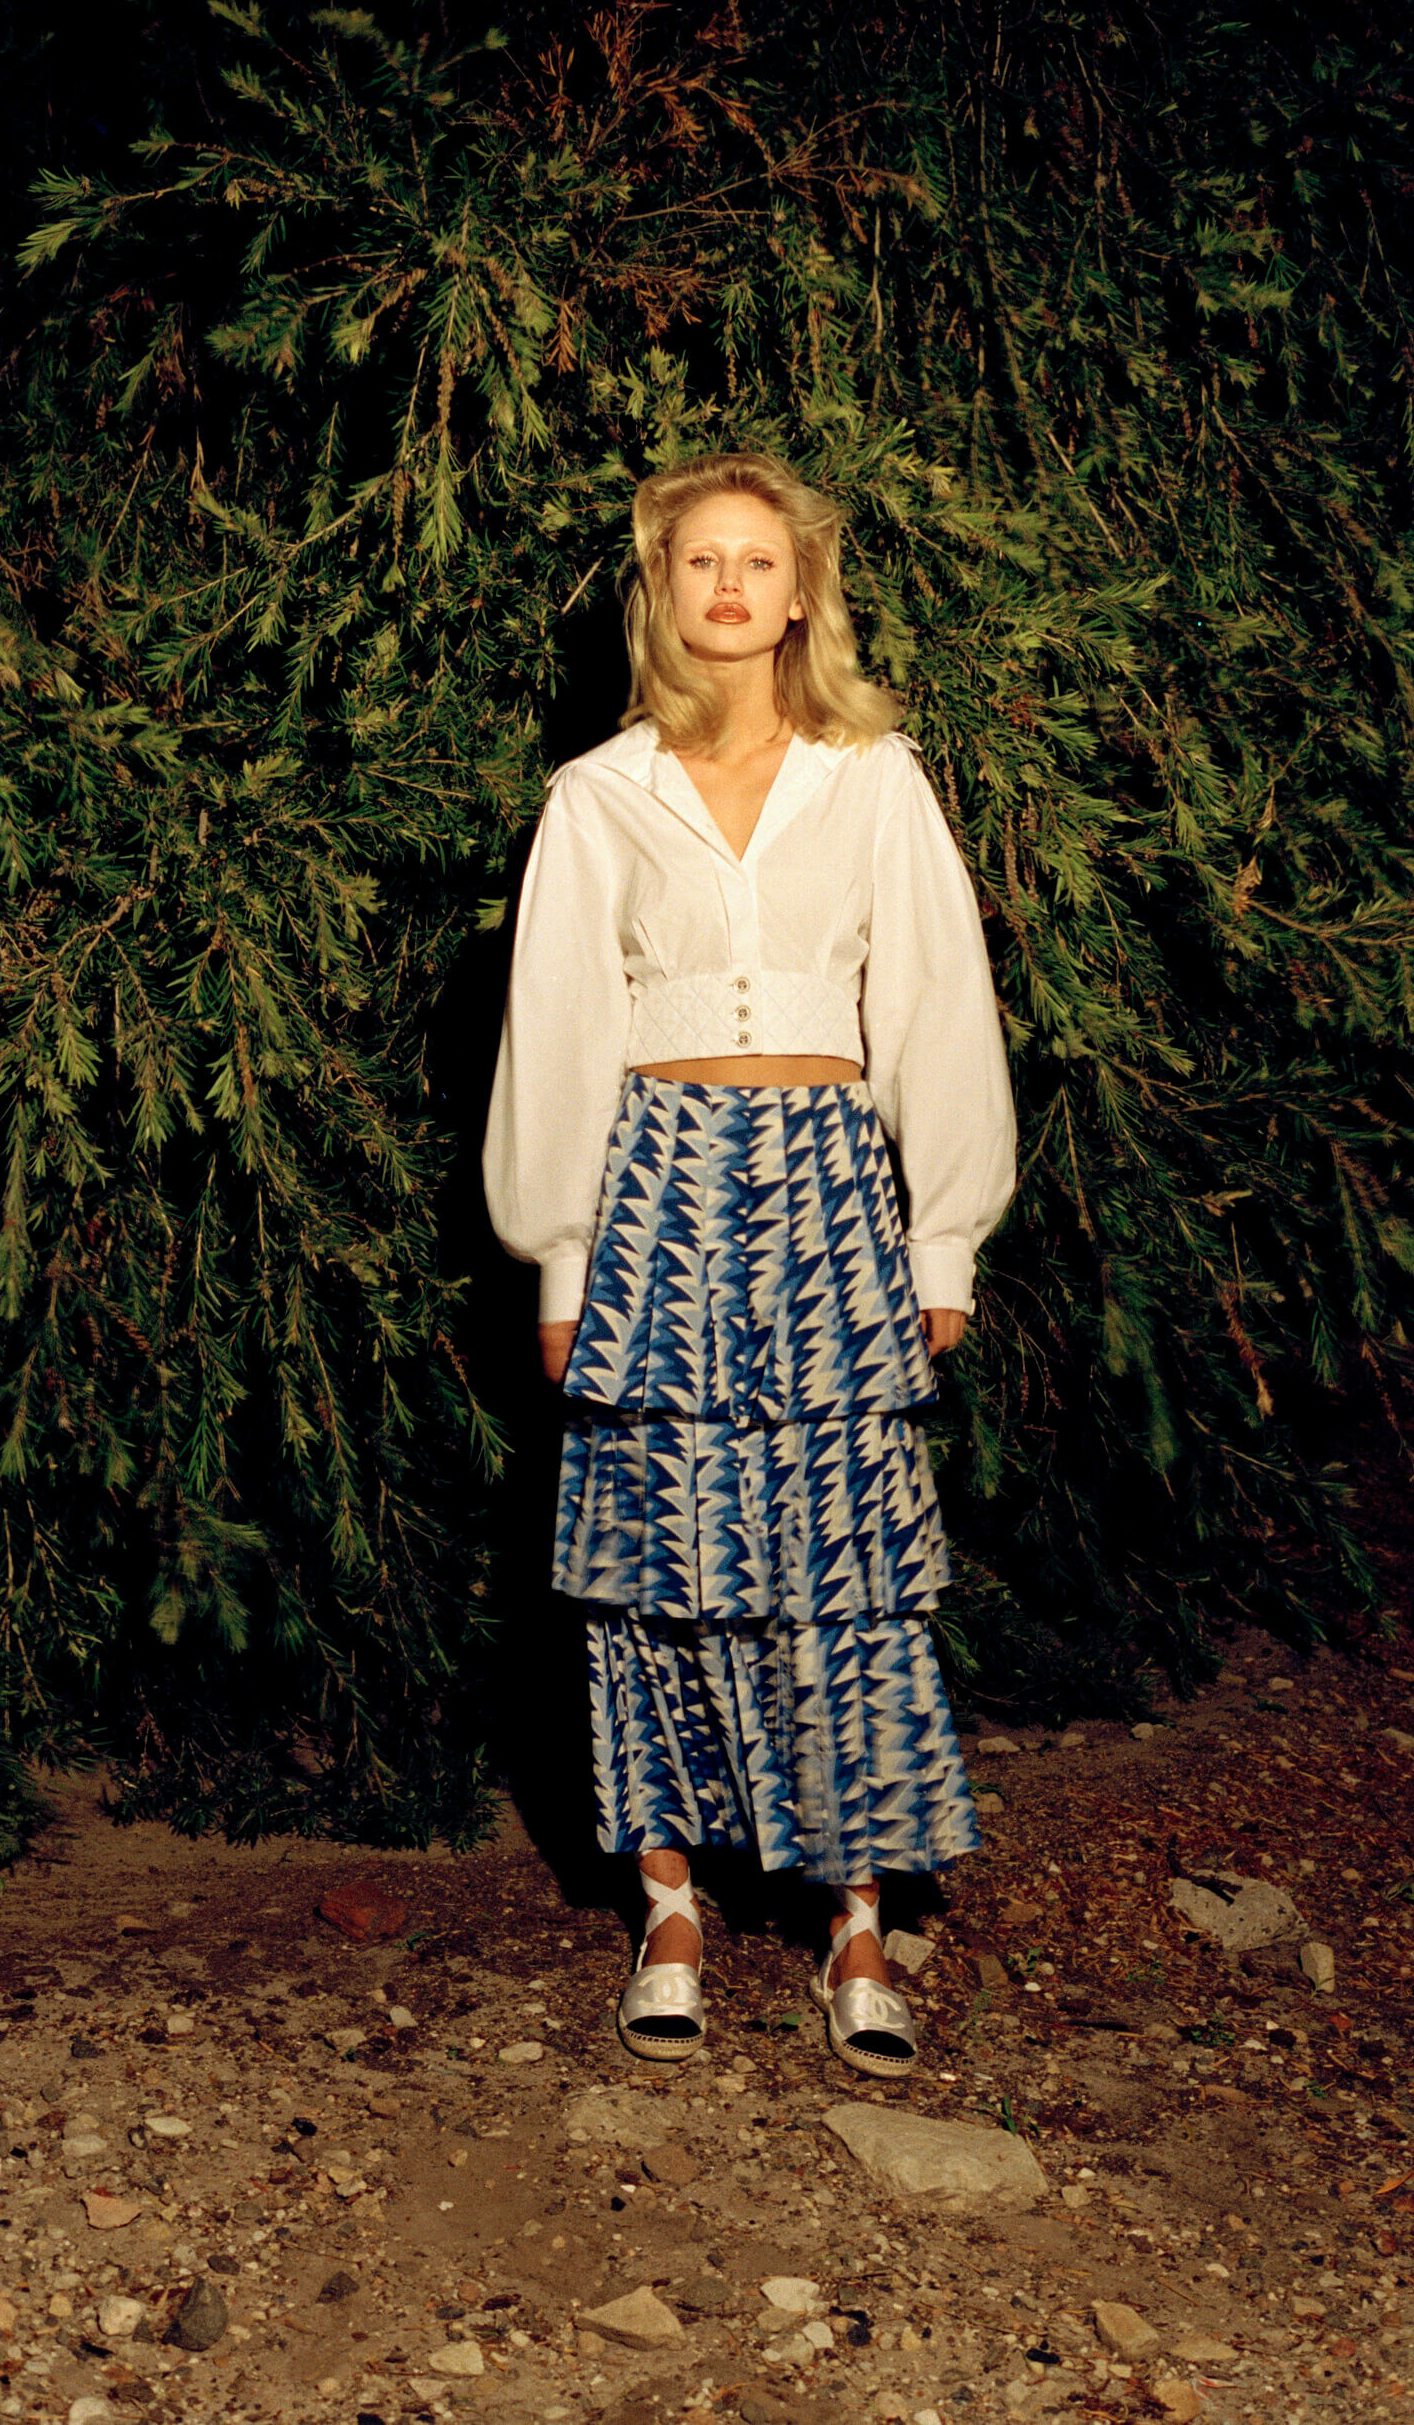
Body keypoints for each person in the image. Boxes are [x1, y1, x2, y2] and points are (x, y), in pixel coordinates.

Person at [482, 451, 1016, 2076]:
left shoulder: (873, 776)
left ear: (800, 595)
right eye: (701, 559)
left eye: (758, 561)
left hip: (829, 1197)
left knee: (841, 1567)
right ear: (664, 589)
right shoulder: (599, 794)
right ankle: (670, 1914)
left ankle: (856, 1926)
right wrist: (562, 1261)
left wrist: (942, 1237)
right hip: (655, 1196)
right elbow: (558, 1032)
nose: (729, 584)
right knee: (651, 1562)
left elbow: (935, 1002)